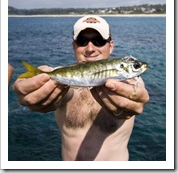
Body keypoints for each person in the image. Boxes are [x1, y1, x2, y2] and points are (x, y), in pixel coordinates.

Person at [13, 15, 149, 161]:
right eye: (82, 41)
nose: (90, 48)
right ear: (74, 46)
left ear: (111, 45)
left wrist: (136, 98)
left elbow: (137, 88)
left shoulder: (130, 81)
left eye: (99, 41)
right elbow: (60, 85)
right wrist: (34, 82)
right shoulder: (64, 78)